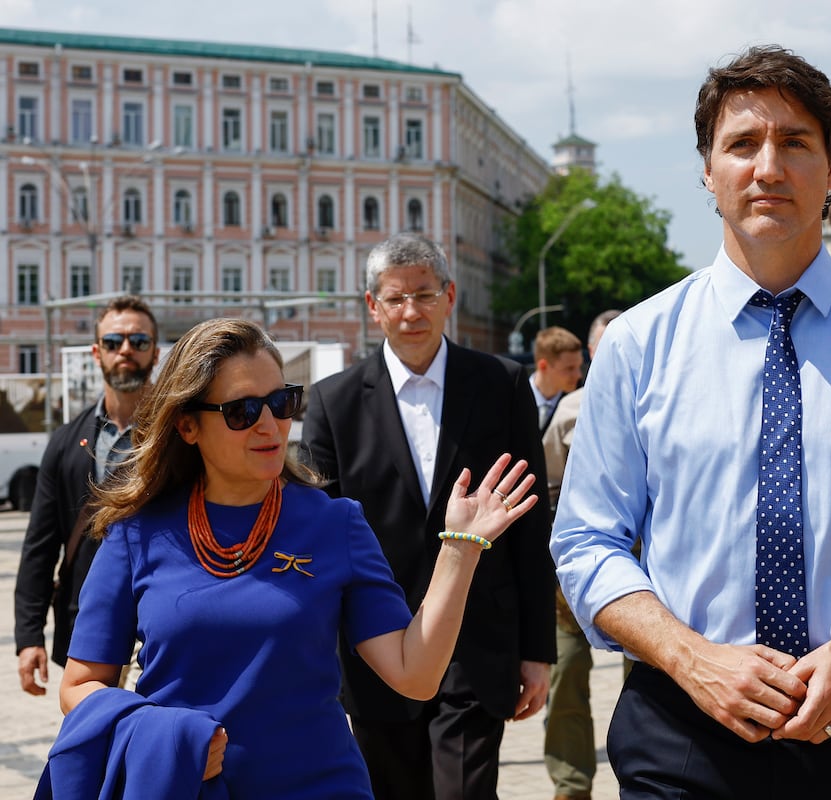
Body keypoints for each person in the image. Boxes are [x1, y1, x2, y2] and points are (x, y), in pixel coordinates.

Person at [550, 44, 831, 798]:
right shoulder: (637, 345)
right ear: (707, 170)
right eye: (742, 145)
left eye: (795, 143)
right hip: (683, 719)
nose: (768, 167)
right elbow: (587, 540)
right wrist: (693, 658)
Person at [53, 317, 536, 797]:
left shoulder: (335, 523)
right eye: (242, 410)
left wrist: (459, 549)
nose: (270, 425)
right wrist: (170, 741)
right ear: (187, 425)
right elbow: (78, 687)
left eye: (282, 403)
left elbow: (415, 675)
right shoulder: (136, 533)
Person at [301, 232, 556, 800]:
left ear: (450, 296)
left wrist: (537, 650)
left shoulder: (502, 385)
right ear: (373, 307)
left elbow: (530, 525)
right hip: (376, 648)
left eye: (424, 294)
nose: (411, 312)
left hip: (478, 645)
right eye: (395, 298)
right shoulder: (332, 403)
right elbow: (318, 537)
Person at [14, 295, 159, 696]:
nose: (126, 350)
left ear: (155, 352)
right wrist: (29, 637)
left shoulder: (180, 435)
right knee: (93, 747)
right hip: (90, 625)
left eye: (138, 341)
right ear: (97, 353)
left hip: (162, 624)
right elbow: (40, 545)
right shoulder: (65, 442)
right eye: (113, 342)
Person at [542, 308, 620, 800]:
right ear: (594, 352)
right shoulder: (570, 410)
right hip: (574, 575)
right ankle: (572, 787)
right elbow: (547, 483)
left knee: (655, 686)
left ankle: (650, 780)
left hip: (652, 573)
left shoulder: (665, 402)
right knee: (566, 675)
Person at [530, 326, 584, 433]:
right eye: (570, 368)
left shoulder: (581, 403)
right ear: (543, 366)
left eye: (579, 367)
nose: (578, 375)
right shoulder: (513, 399)